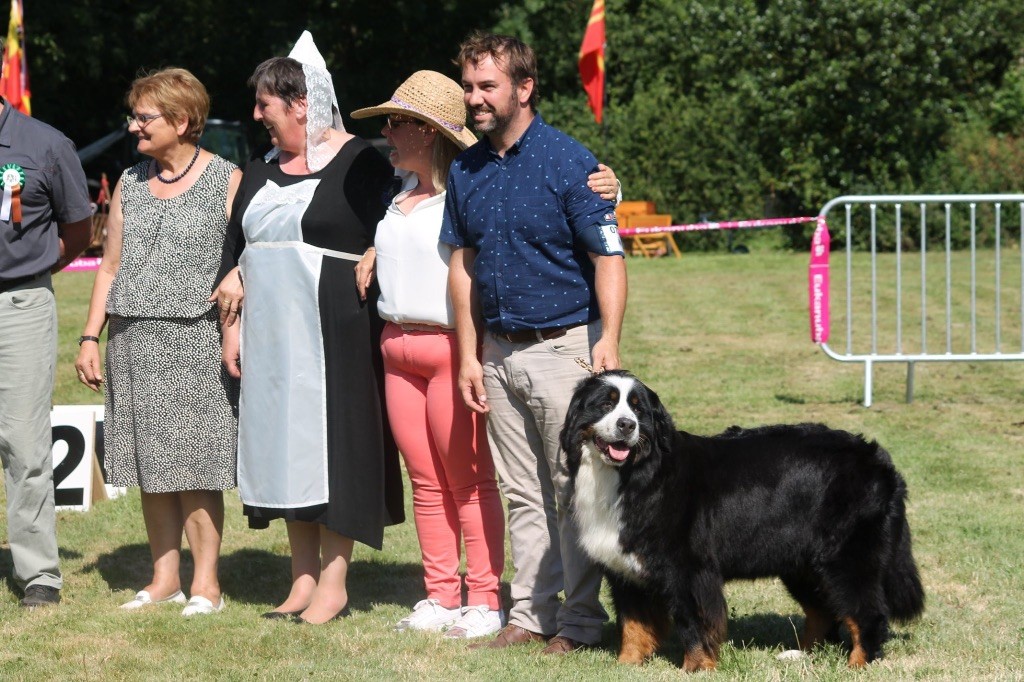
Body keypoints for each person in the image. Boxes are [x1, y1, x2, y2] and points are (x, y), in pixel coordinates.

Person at [350, 71, 623, 638]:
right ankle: (447, 594)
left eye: (399, 122)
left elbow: (571, 215)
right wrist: (376, 247)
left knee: (493, 481)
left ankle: (497, 596)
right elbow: (426, 244)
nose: (390, 132)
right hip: (406, 343)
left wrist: (612, 187)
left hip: (466, 342)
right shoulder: (400, 192)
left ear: (429, 132)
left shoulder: (475, 181)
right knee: (434, 480)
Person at [441, 33, 628, 654]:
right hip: (497, 351)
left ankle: (578, 624)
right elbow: (462, 266)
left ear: (524, 89)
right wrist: (469, 354)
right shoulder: (465, 168)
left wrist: (608, 344)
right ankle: (529, 615)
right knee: (522, 492)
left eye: (486, 86)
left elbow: (609, 257)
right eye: (469, 87)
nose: (474, 99)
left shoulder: (572, 163)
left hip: (564, 347)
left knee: (572, 487)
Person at [217, 32, 404, 625]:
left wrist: (378, 247)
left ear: (301, 103)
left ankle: (334, 582)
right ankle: (299, 580)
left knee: (334, 446)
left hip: (335, 328)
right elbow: (236, 245)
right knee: (283, 448)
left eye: (264, 103)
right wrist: (231, 297)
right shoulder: (258, 169)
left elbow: (410, 212)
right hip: (270, 334)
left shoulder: (359, 163)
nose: (256, 115)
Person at [74, 68, 241, 616]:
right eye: (135, 116)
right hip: (130, 338)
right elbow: (109, 266)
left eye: (144, 117)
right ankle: (164, 577)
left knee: (194, 465)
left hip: (194, 339)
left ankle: (207, 584)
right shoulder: (128, 181)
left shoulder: (227, 178)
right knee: (150, 464)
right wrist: (89, 336)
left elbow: (244, 258)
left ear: (182, 120)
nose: (134, 126)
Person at [0, 97, 93, 609]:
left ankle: (38, 573)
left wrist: (33, 270)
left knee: (23, 442)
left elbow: (77, 230)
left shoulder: (47, 144)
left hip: (19, 303)